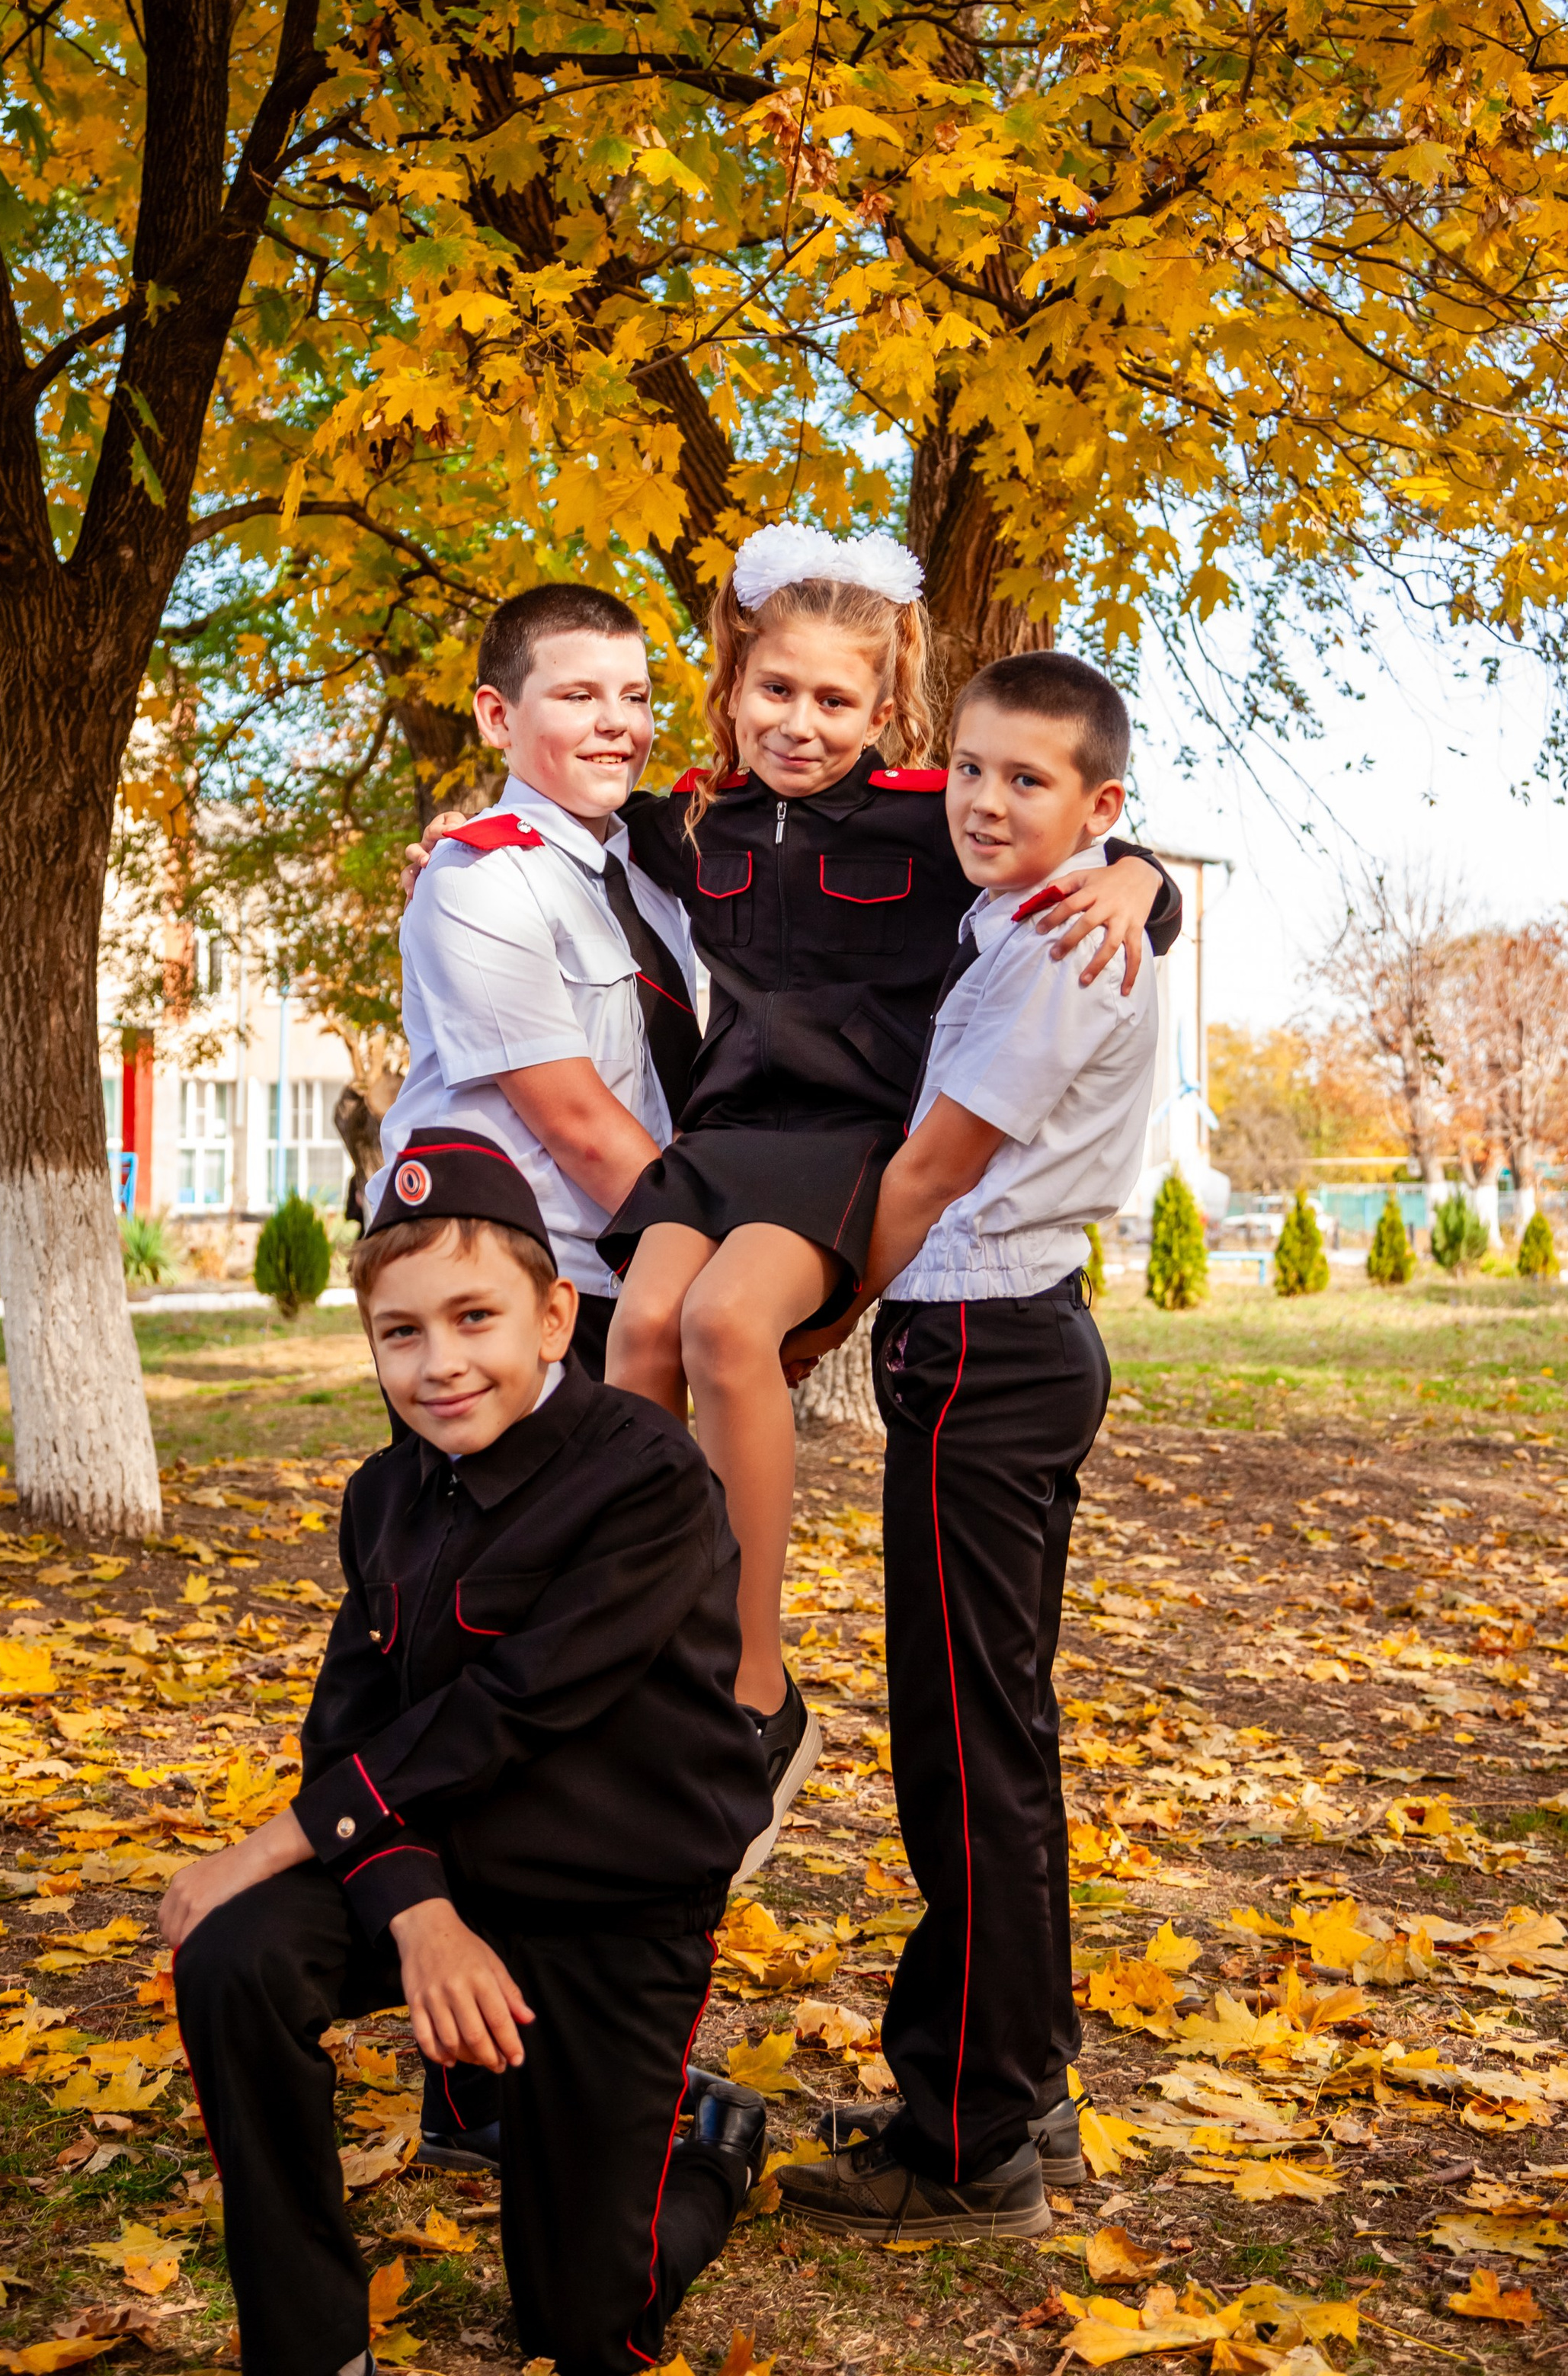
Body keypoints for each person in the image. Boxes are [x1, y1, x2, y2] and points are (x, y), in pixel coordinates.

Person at [597, 525, 1181, 1870]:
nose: (799, 724)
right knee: (641, 1335)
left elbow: (1094, 854)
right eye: (774, 692)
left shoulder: (934, 813)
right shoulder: (693, 821)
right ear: (733, 685)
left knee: (732, 1332)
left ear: (884, 708)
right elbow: (558, 815)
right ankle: (636, 1642)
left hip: (855, 1136)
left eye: (834, 701)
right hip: (730, 1128)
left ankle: (754, 1687)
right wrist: (459, 832)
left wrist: (1144, 880)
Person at [163, 1130, 771, 2376]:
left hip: (615, 1903)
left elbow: (512, 1704)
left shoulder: (650, 1477)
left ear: (554, 1318)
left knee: (582, 2321)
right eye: (401, 1333)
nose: (440, 1365)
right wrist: (419, 1913)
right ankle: (314, 2347)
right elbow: (350, 1726)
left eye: (474, 1317)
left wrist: (286, 1838)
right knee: (237, 1954)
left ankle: (709, 2153)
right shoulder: (384, 1495)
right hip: (451, 1865)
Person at [773, 652, 1165, 2245]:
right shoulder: (1034, 913)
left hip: (982, 1353)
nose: (988, 804)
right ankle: (1025, 2080)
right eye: (974, 774)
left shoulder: (1053, 953)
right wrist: (1138, 879)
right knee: (995, 1733)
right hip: (1010, 1339)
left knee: (965, 1752)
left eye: (1029, 782)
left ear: (1098, 807)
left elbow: (929, 1171)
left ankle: (965, 2136)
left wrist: (807, 1324)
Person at [376, 581, 699, 1385]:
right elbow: (579, 1125)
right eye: (578, 695)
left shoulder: (654, 877)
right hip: (518, 1280)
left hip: (637, 1266)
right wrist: (715, 1270)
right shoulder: (479, 878)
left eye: (635, 696)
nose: (617, 723)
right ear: (497, 718)